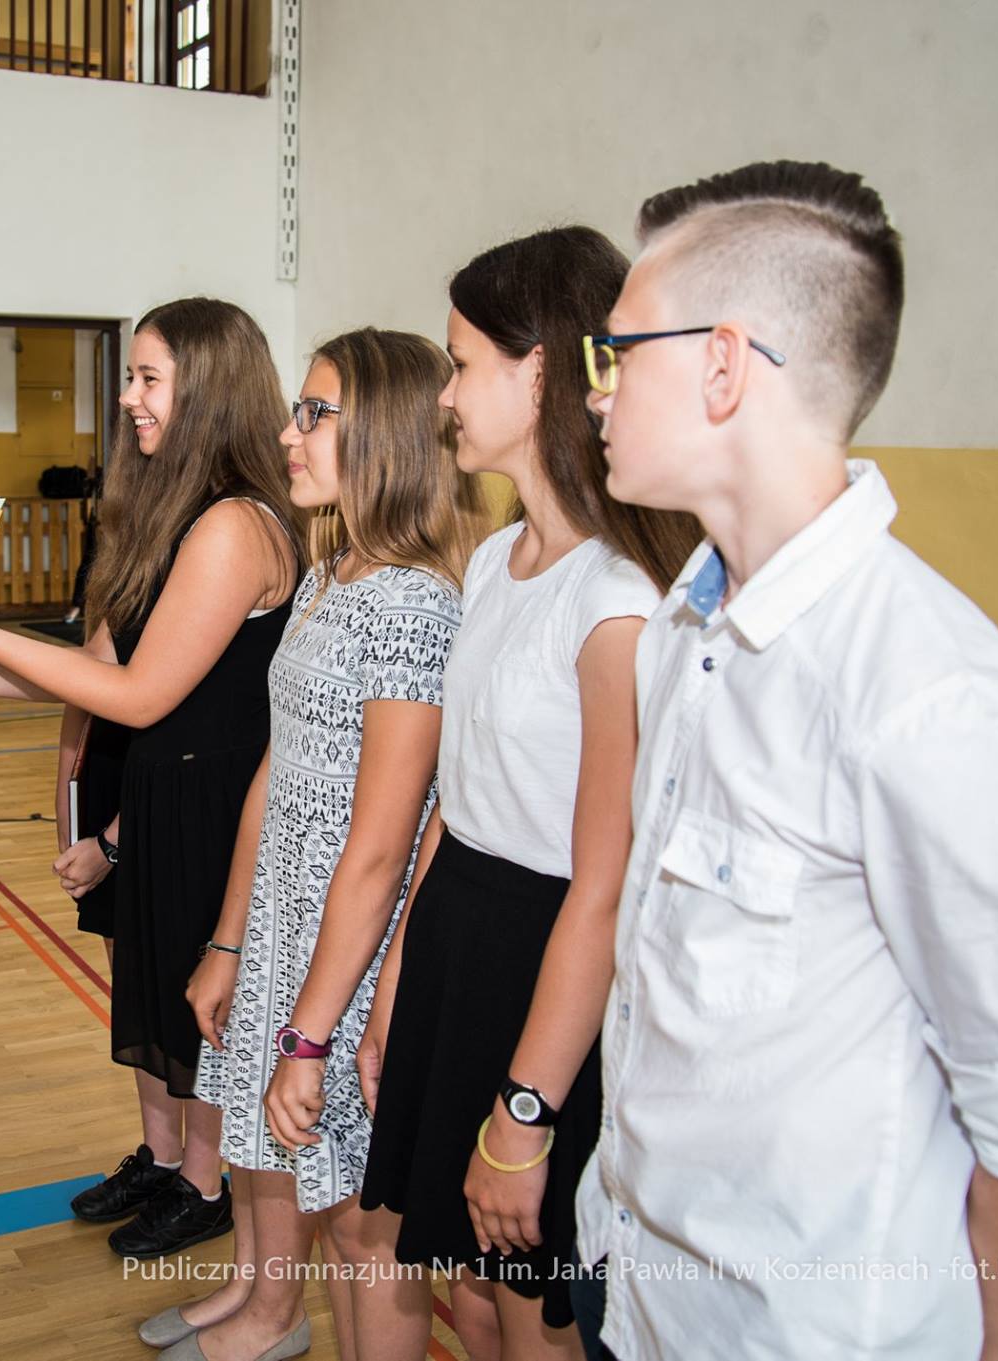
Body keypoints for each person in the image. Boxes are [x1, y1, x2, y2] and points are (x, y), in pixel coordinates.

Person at [575, 161, 998, 1360]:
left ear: (722, 366)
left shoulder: (926, 701)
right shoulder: (683, 630)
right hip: (640, 1290)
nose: (595, 391)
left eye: (615, 353)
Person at [352, 229, 699, 1361]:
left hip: (545, 968)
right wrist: (399, 975)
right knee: (468, 1288)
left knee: (528, 1301)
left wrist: (526, 1108)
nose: (445, 395)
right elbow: (458, 804)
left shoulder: (614, 602)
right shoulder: (499, 562)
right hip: (459, 933)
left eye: (460, 365)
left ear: (539, 370)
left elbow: (601, 886)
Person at [0, 297, 305, 1261]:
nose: (128, 397)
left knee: (197, 1007)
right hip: (160, 789)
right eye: (130, 376)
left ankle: (204, 1185)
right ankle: (168, 1161)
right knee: (151, 987)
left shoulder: (235, 526)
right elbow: (97, 661)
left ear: (207, 390)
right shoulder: (170, 511)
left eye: (147, 378)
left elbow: (139, 692)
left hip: (214, 803)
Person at [167, 329, 481, 1361]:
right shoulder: (330, 574)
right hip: (287, 926)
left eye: (314, 413)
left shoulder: (413, 604)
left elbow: (380, 848)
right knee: (315, 1188)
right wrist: (229, 940)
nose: (287, 434)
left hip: (351, 949)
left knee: (360, 1224)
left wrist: (309, 1033)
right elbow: (278, 772)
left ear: (385, 433)